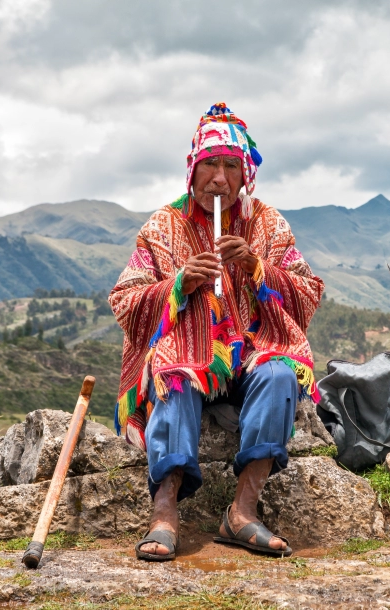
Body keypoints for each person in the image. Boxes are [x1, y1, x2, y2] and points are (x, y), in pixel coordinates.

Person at [109, 102, 324, 560]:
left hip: (250, 353)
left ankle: (243, 512)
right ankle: (164, 511)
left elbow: (308, 292)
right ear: (193, 169)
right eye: (211, 165)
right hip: (189, 353)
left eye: (231, 166)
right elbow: (125, 300)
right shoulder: (164, 226)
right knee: (174, 372)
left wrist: (257, 267)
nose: (221, 179)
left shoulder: (266, 223)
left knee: (280, 373)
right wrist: (178, 285)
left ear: (246, 174)